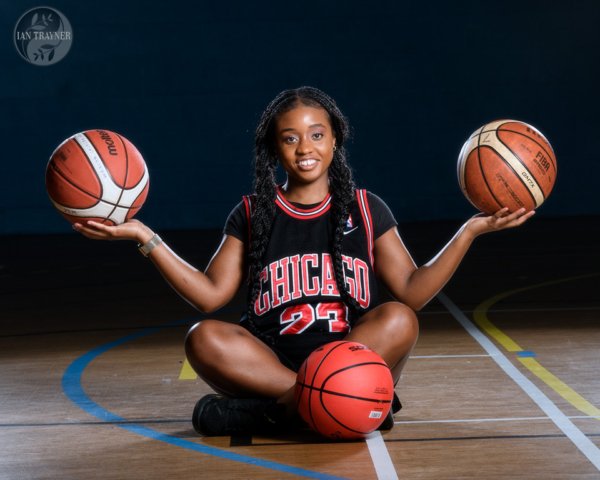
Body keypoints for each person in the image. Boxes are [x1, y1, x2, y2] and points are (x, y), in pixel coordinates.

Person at [73, 86, 534, 436]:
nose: (304, 148)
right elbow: (209, 296)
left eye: (317, 134)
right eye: (290, 138)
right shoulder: (253, 212)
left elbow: (413, 289)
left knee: (399, 317)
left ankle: (278, 416)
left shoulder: (366, 207)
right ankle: (325, 405)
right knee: (203, 338)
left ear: (336, 140)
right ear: (275, 150)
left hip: (350, 356)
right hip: (270, 365)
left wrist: (470, 230)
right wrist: (144, 235)